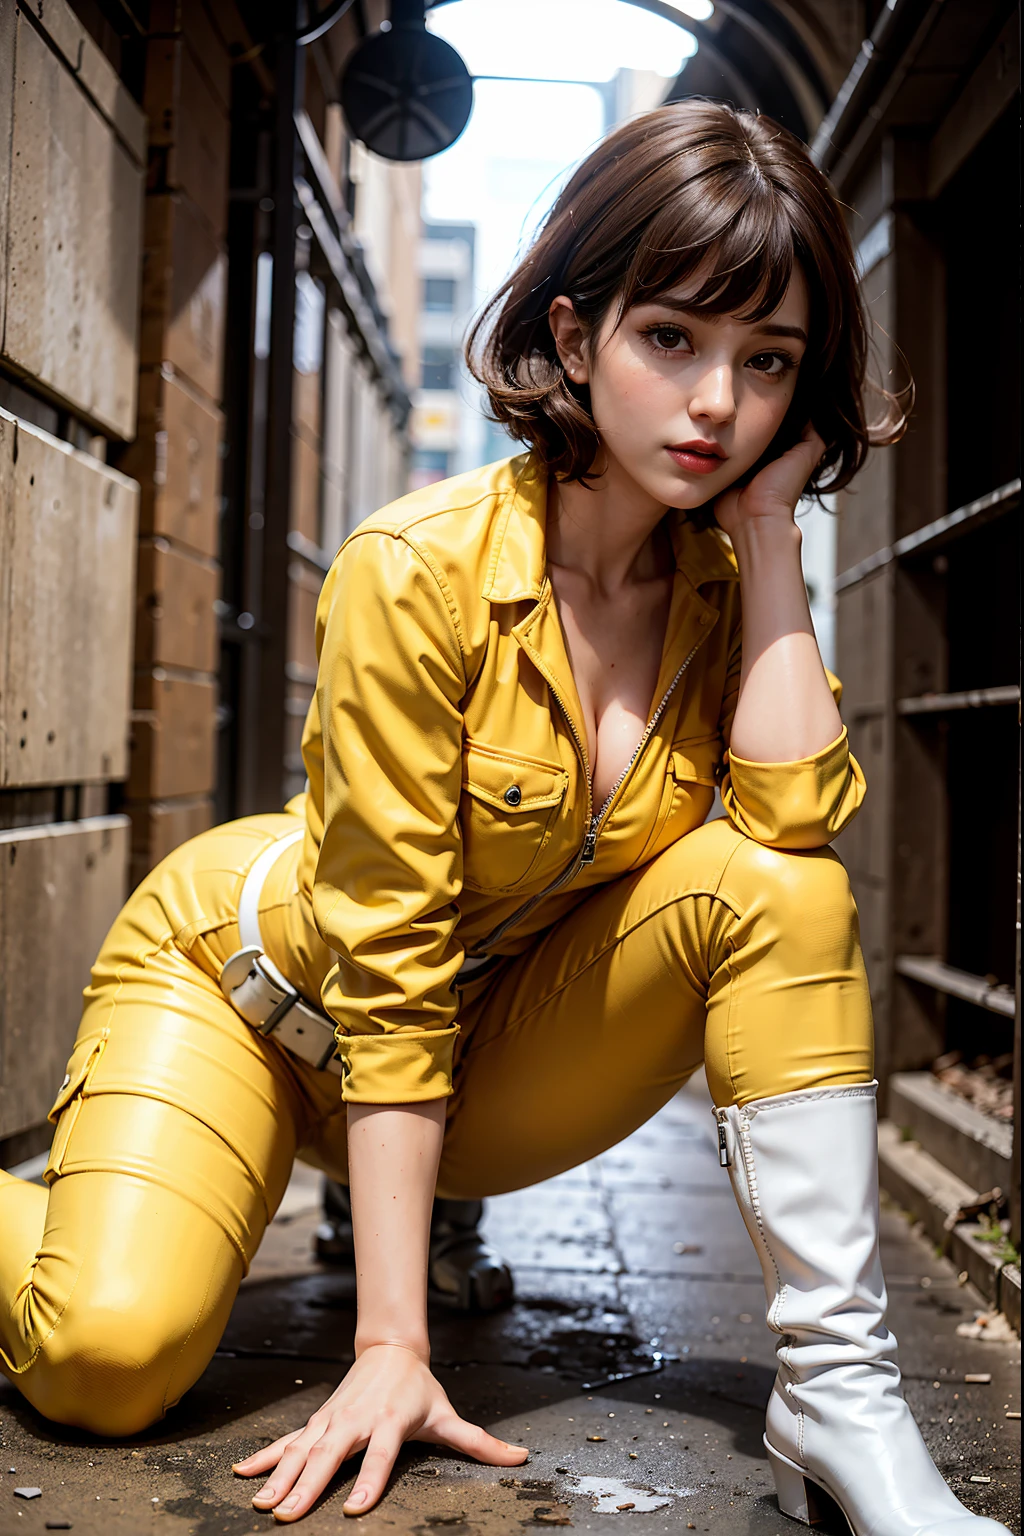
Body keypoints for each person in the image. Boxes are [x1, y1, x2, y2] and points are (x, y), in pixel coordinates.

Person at [0, 101, 1007, 1536]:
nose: (719, 404)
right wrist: (390, 1350)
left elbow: (790, 829)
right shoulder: (415, 571)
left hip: (482, 1058)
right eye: (673, 338)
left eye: (768, 362)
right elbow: (393, 958)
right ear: (575, 332)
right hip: (254, 992)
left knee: (785, 889)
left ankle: (843, 1399)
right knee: (108, 1360)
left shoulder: (728, 602)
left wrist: (774, 538)